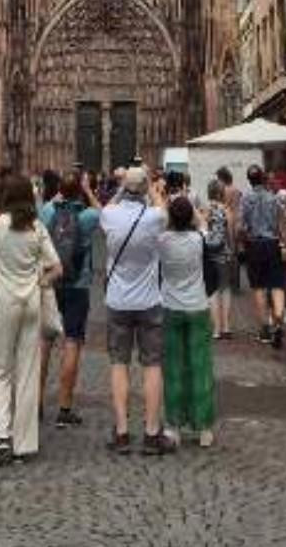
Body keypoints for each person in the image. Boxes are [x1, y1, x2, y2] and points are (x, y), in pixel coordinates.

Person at [0, 173, 60, 467]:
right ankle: (24, 443)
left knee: (0, 370)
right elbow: (57, 268)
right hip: (31, 303)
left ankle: (0, 435)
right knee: (28, 372)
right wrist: (38, 281)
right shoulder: (36, 227)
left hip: (4, 302)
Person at [100, 164, 175, 456]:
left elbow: (109, 205)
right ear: (144, 189)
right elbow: (163, 208)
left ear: (122, 189)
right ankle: (152, 432)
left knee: (119, 364)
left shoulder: (109, 215)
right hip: (149, 301)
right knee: (152, 365)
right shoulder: (155, 217)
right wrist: (154, 191)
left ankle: (121, 432)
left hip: (117, 301)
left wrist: (125, 187)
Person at [39, 168, 100, 427]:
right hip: (78, 284)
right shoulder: (88, 216)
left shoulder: (47, 212)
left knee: (43, 342)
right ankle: (65, 406)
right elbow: (104, 212)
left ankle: (36, 402)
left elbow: (44, 211)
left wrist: (57, 196)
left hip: (50, 282)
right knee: (72, 342)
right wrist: (88, 191)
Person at [159, 194, 216, 447]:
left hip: (170, 306)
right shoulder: (198, 239)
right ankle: (204, 427)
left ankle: (173, 425)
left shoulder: (162, 240)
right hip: (197, 306)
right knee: (200, 365)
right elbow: (205, 225)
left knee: (173, 368)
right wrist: (196, 214)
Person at [239, 164, 286, 347]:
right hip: (272, 244)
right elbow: (281, 225)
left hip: (255, 245)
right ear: (263, 178)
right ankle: (278, 317)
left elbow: (241, 227)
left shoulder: (245, 198)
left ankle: (265, 329)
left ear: (249, 180)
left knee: (259, 287)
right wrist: (285, 245)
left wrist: (243, 240)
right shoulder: (273, 198)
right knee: (277, 285)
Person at [204, 178, 233, 339]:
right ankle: (227, 328)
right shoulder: (227, 210)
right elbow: (230, 233)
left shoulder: (206, 209)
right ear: (222, 193)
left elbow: (202, 229)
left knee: (212, 290)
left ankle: (216, 329)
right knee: (225, 288)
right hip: (224, 253)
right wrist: (233, 251)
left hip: (210, 254)